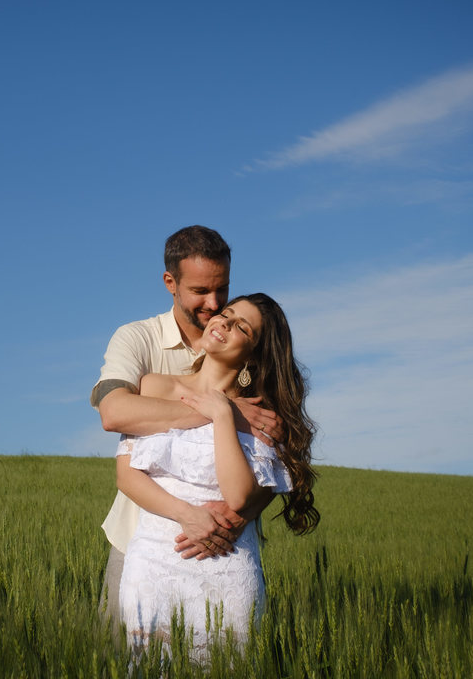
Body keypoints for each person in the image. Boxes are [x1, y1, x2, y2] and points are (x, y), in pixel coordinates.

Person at [91, 225, 285, 623]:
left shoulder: (250, 352)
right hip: (139, 542)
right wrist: (224, 411)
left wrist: (237, 515)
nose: (214, 305)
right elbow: (114, 412)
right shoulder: (138, 340)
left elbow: (278, 455)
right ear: (170, 283)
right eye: (200, 291)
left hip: (228, 544)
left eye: (222, 289)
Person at [116, 293, 319, 660]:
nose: (223, 323)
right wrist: (185, 514)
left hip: (228, 568)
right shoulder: (155, 387)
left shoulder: (260, 415)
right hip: (154, 565)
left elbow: (239, 496)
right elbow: (127, 477)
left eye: (241, 326)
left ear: (253, 356)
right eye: (226, 315)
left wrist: (224, 414)